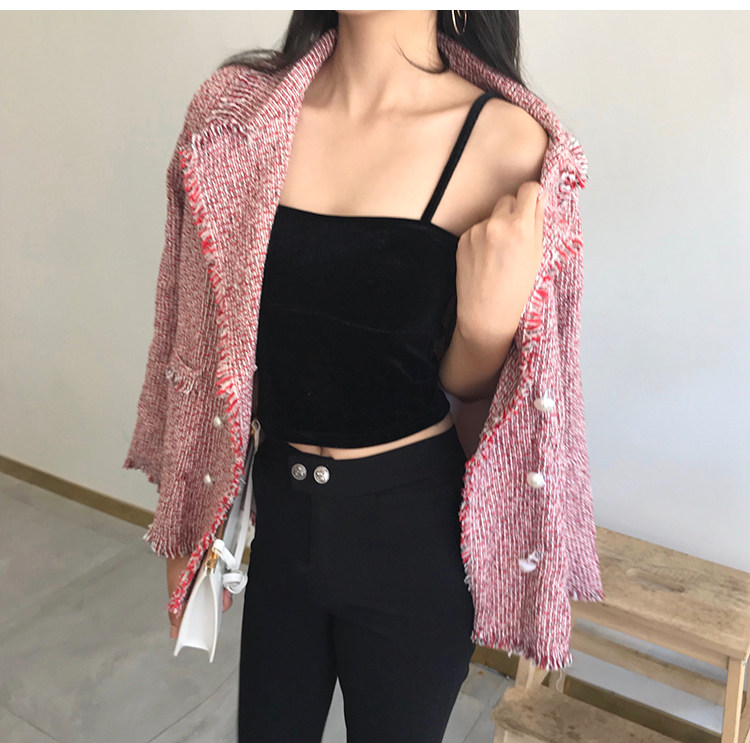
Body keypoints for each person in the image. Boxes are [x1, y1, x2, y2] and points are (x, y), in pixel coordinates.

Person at [155, 9, 552, 742]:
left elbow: (481, 399)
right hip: (281, 519)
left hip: (411, 533)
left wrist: (485, 328)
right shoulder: (237, 117)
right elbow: (199, 338)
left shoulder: (507, 141)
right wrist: (188, 507)